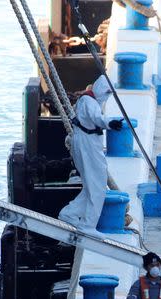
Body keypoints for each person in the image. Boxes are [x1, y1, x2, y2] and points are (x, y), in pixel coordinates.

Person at [58, 74, 123, 234]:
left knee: (91, 186)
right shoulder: (89, 102)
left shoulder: (86, 101)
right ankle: (88, 225)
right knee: (98, 187)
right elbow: (97, 118)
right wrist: (110, 123)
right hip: (88, 145)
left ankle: (69, 213)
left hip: (86, 142)